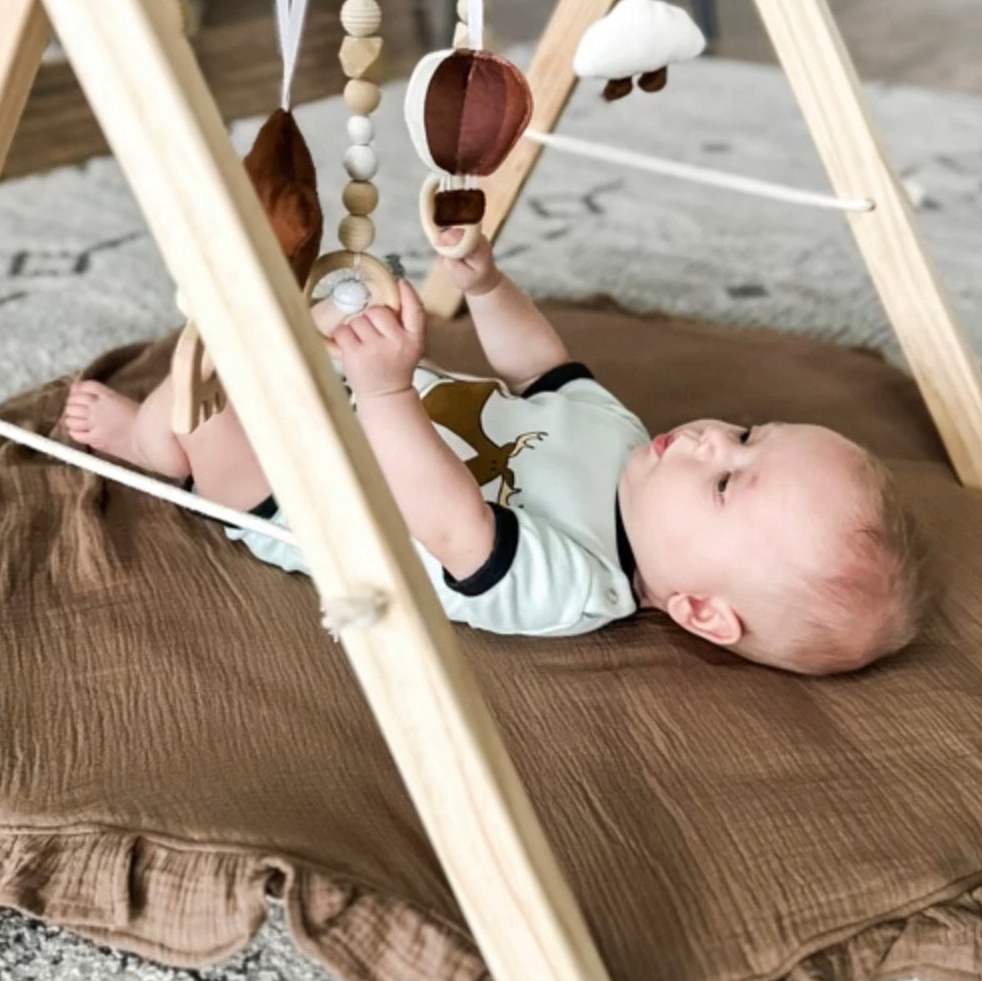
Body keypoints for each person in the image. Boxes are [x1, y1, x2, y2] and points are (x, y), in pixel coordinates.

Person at [64, 233, 927, 674]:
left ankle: (149, 445)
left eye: (728, 483)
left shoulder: (577, 584)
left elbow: (447, 524)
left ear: (700, 609)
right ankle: (257, 362)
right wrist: (485, 284)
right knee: (305, 299)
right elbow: (540, 363)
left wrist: (392, 390)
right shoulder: (627, 443)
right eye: (746, 432)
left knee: (203, 401)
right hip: (358, 392)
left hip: (298, 492)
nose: (709, 441)